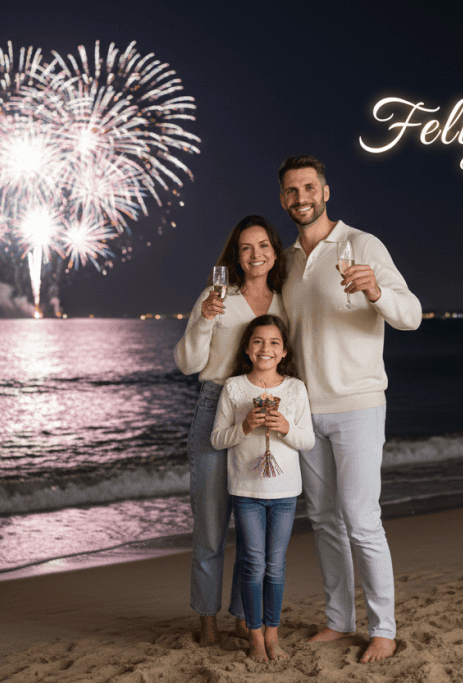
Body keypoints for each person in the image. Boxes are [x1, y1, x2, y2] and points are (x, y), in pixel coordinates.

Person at [277, 154, 422, 663]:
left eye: (309, 188)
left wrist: (376, 290)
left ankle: (383, 629)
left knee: (362, 518)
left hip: (359, 405)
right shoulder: (288, 261)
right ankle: (339, 619)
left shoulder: (362, 244)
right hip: (307, 411)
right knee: (324, 519)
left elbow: (412, 315)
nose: (302, 199)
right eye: (292, 191)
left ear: (326, 191)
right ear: (283, 199)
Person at [175, 215, 290, 645]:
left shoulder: (283, 301)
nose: (255, 254)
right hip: (213, 410)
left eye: (263, 246)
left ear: (275, 252)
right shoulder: (216, 296)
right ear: (236, 256)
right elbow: (187, 363)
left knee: (251, 527)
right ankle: (207, 620)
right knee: (209, 526)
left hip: (259, 413)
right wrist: (204, 319)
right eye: (246, 248)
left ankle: (244, 617)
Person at [210, 315, 314, 661]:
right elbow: (217, 439)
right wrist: (244, 426)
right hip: (247, 492)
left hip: (284, 493)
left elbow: (308, 440)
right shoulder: (235, 388)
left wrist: (285, 427)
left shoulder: (295, 389)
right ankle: (254, 636)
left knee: (276, 565)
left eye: (273, 343)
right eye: (257, 341)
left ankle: (273, 634)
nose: (265, 348)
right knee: (254, 563)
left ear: (284, 351)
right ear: (247, 348)